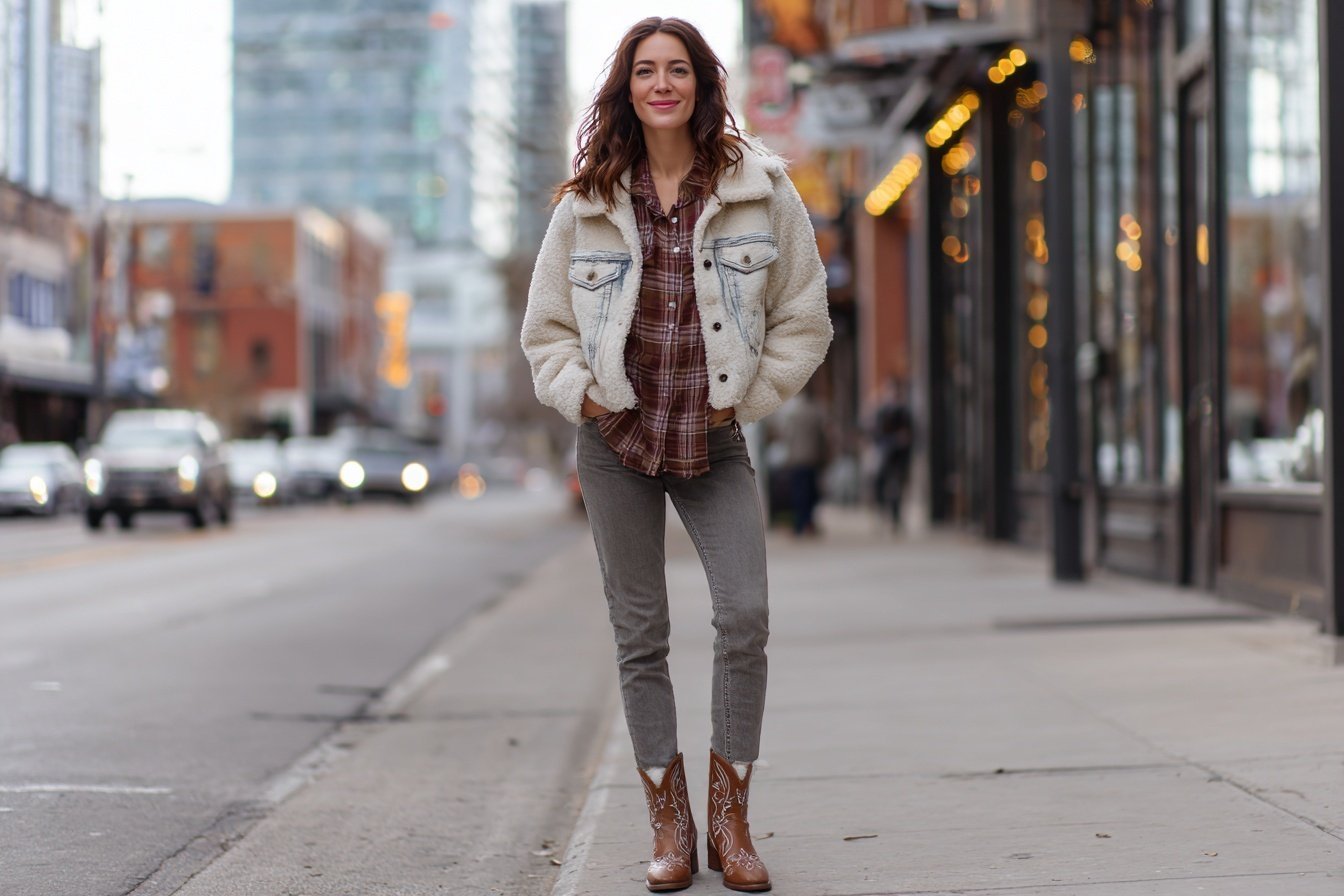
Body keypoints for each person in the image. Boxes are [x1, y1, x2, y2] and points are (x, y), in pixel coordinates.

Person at [521, 16, 831, 893]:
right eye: (646, 71)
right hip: (615, 443)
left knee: (744, 617)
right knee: (640, 636)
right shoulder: (586, 201)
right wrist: (580, 391)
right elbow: (544, 328)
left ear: (702, 83)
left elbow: (805, 315)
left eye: (679, 70)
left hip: (714, 438)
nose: (663, 84)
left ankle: (732, 824)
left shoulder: (759, 188)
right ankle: (670, 825)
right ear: (627, 89)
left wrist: (750, 396)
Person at [770, 389, 828, 536]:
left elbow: (787, 437)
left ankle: (800, 524)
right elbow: (821, 438)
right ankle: (808, 522)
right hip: (811, 459)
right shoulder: (816, 412)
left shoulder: (794, 414)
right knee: (810, 493)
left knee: (798, 493)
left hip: (796, 459)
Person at [872, 378, 913, 527]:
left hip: (899, 455)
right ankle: (882, 513)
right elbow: (876, 434)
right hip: (885, 453)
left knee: (897, 487)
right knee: (880, 484)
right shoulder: (882, 412)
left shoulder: (904, 412)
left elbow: (910, 434)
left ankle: (896, 517)